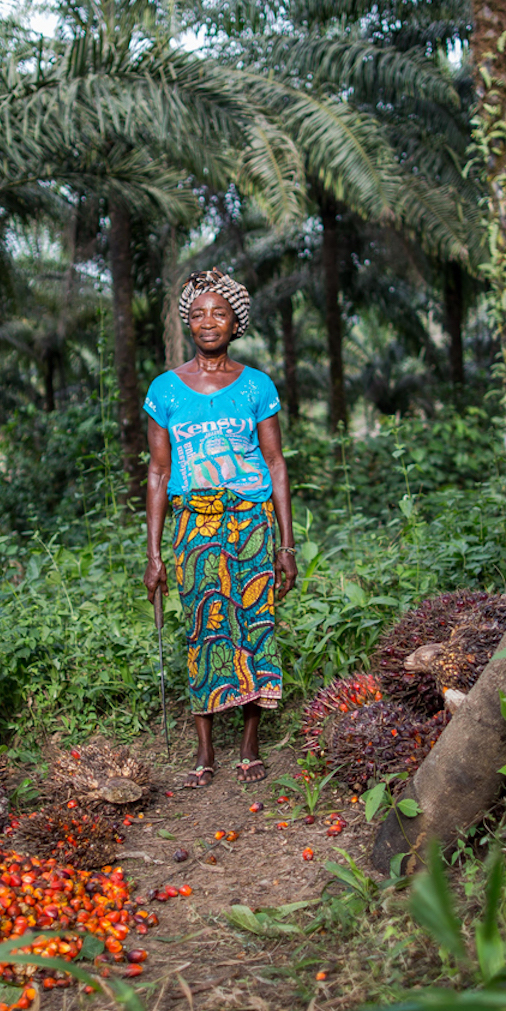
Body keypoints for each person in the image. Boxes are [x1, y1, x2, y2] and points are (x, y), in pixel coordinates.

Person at [143, 269, 297, 787]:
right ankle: (205, 751)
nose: (209, 321)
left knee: (256, 625)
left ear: (236, 323)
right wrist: (155, 554)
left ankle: (250, 745)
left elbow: (275, 463)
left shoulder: (257, 386)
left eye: (220, 313)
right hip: (195, 524)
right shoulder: (165, 389)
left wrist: (287, 545)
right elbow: (159, 472)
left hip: (249, 521)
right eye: (199, 313)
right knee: (204, 628)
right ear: (188, 321)